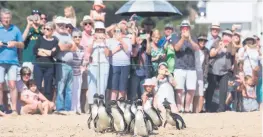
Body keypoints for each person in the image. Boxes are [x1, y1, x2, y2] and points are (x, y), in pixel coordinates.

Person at [0, 8, 24, 115]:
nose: (6, 20)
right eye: (4, 18)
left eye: (8, 18)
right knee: (0, 85)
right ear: (1, 18)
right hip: (0, 62)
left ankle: (14, 109)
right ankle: (1, 108)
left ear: (11, 18)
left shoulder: (16, 29)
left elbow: (22, 44)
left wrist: (15, 43)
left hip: (13, 62)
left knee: (12, 84)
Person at [172, 20, 199, 113]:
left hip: (191, 67)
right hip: (179, 67)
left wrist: (190, 39)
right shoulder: (176, 37)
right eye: (183, 28)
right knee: (179, 89)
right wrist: (183, 38)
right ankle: (180, 108)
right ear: (180, 29)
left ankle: (187, 108)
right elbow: (176, 48)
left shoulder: (194, 38)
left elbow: (197, 48)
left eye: (186, 28)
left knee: (191, 90)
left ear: (189, 29)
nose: (185, 30)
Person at [205, 30, 236, 112]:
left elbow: (233, 53)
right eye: (226, 35)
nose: (227, 37)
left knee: (224, 90)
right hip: (214, 70)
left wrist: (230, 44)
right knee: (211, 89)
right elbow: (211, 54)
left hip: (225, 71)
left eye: (229, 36)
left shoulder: (231, 45)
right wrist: (219, 47)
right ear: (222, 36)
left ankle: (221, 108)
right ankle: (207, 107)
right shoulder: (216, 42)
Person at [53, 16, 76, 113]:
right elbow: (61, 48)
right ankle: (60, 108)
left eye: (63, 24)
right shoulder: (55, 35)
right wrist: (69, 46)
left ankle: (68, 108)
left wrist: (67, 46)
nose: (62, 26)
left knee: (69, 88)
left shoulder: (67, 35)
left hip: (70, 64)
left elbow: (74, 48)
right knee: (61, 86)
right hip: (61, 63)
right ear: (56, 25)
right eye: (60, 24)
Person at [33, 22, 59, 101]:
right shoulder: (40, 38)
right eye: (44, 28)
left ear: (53, 30)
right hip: (39, 65)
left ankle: (47, 104)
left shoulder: (55, 41)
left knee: (48, 86)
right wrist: (48, 52)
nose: (45, 30)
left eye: (48, 29)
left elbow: (53, 54)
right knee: (37, 85)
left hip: (49, 66)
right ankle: (36, 103)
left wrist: (43, 51)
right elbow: (35, 51)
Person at [87, 21, 110, 107]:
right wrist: (93, 41)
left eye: (101, 30)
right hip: (93, 63)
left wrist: (104, 42)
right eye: (98, 30)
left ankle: (101, 103)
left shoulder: (107, 40)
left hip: (104, 63)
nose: (99, 32)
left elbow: (108, 54)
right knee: (92, 84)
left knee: (102, 84)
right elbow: (88, 52)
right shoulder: (91, 39)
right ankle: (92, 104)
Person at [108, 24, 132, 100]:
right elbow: (108, 54)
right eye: (115, 31)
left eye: (119, 31)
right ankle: (113, 104)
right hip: (114, 65)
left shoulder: (127, 40)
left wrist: (121, 41)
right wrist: (117, 48)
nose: (118, 33)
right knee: (114, 87)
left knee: (123, 87)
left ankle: (121, 104)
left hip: (125, 65)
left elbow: (128, 51)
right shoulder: (110, 40)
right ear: (113, 32)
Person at [79, 15, 94, 113]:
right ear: (83, 25)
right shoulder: (80, 35)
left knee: (91, 87)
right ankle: (82, 108)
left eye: (90, 23)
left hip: (93, 63)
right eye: (85, 23)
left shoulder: (95, 35)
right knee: (83, 88)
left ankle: (88, 109)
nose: (88, 25)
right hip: (83, 63)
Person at [69, 30, 85, 115]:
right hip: (71, 72)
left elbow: (83, 61)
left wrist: (84, 65)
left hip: (79, 72)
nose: (77, 38)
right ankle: (72, 108)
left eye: (79, 36)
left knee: (78, 90)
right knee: (71, 91)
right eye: (75, 37)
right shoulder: (71, 47)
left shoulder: (82, 48)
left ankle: (77, 108)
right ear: (72, 38)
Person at [193, 34, 209, 113]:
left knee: (200, 93)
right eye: (201, 40)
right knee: (193, 93)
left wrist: (205, 74)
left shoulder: (206, 51)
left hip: (201, 73)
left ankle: (198, 111)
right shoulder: (194, 49)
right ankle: (193, 110)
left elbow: (206, 63)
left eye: (204, 41)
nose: (203, 42)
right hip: (193, 72)